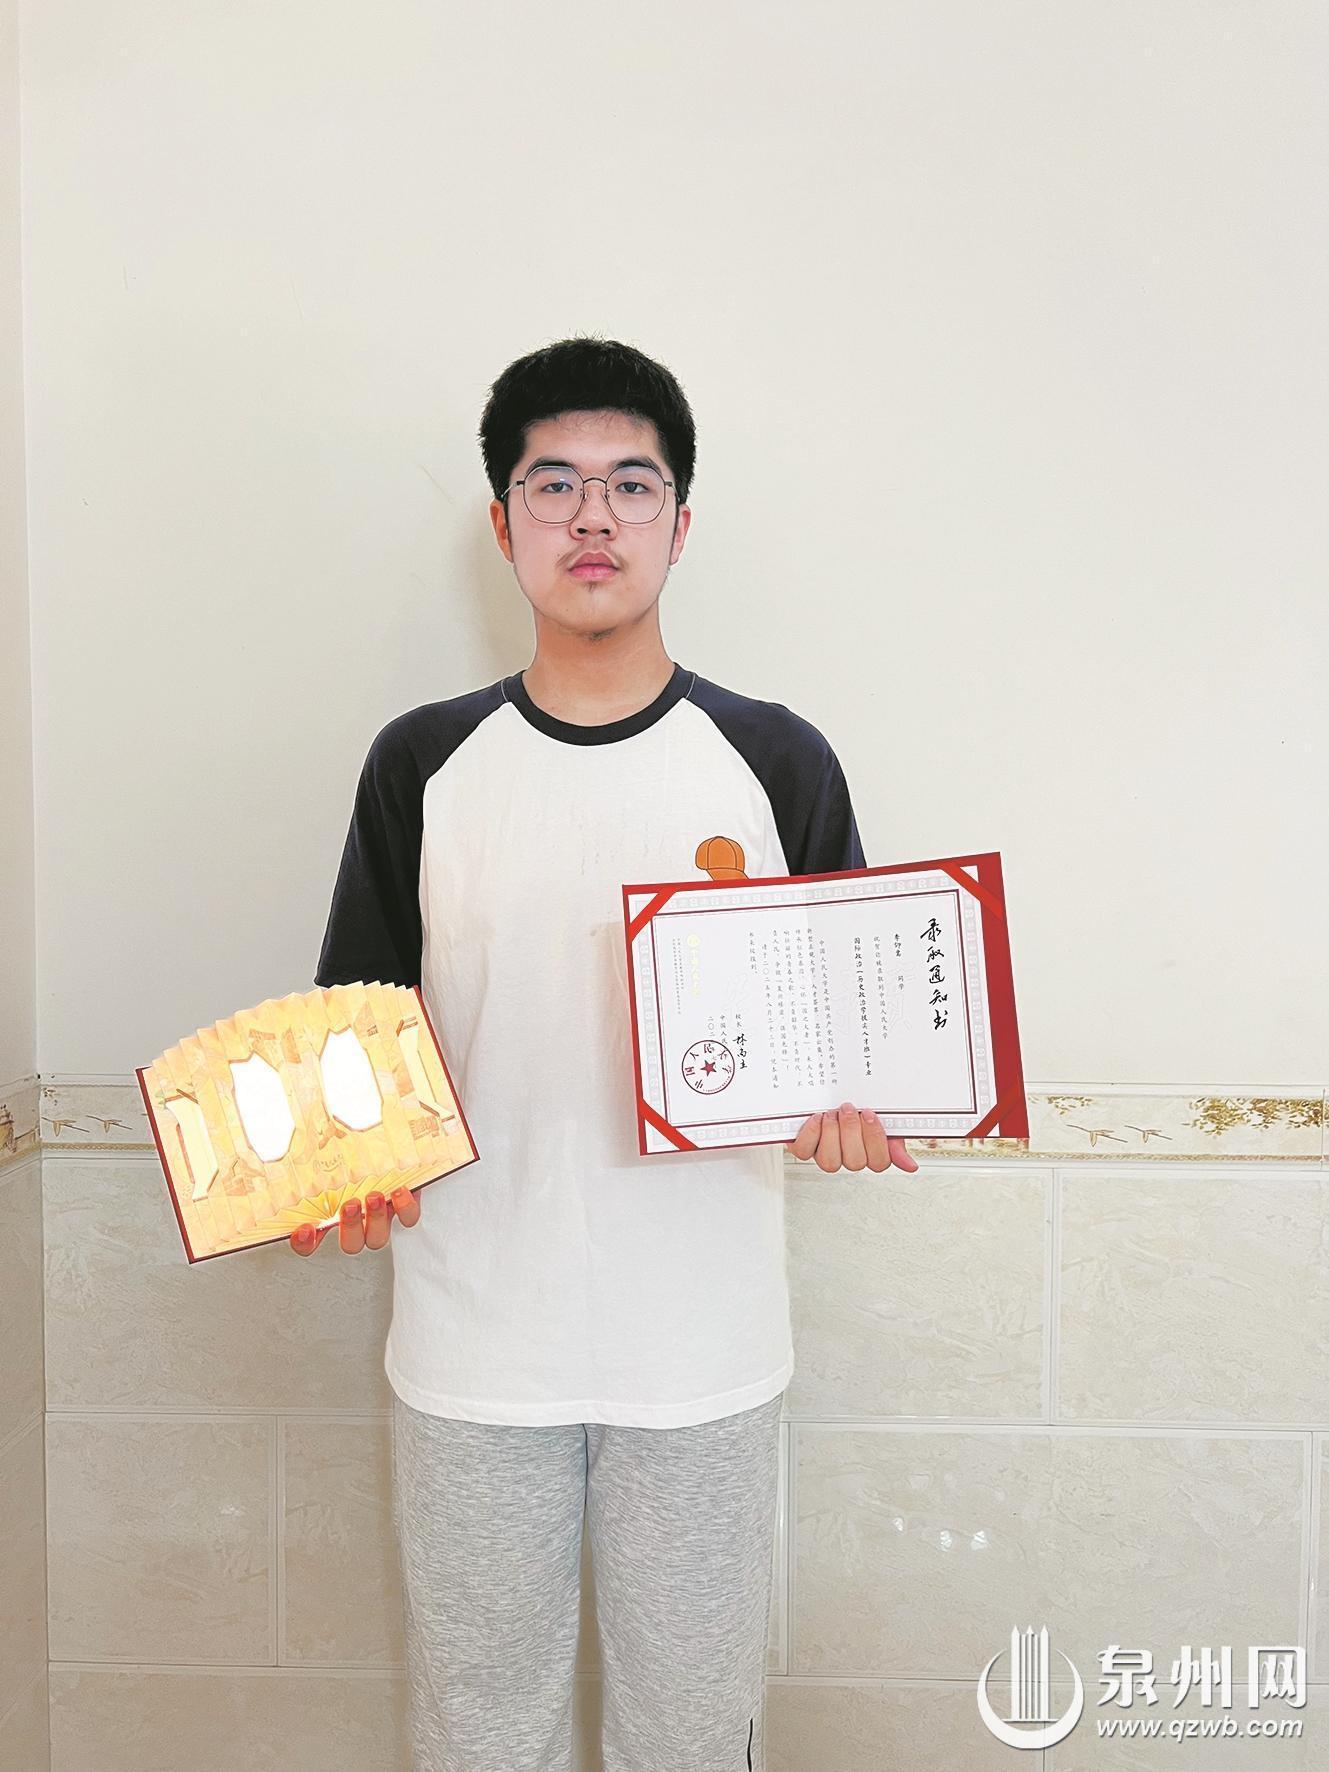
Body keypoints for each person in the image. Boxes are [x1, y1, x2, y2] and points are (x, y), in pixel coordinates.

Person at [297, 335, 917, 1772]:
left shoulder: (775, 759)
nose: (593, 518)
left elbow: (862, 1037)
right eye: (554, 485)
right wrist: (340, 1169)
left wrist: (855, 1109)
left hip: (701, 1346)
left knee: (691, 1736)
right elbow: (354, 1034)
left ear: (679, 525)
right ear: (502, 521)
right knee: (478, 1730)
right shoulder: (421, 763)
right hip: (472, 1347)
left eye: (632, 486)